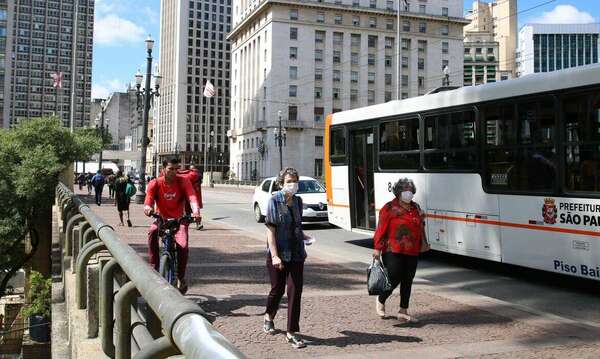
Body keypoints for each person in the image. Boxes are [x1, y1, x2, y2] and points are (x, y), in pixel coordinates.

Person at [263, 167, 311, 349]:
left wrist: (305, 237)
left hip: (297, 253)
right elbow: (271, 231)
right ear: (281, 183)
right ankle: (269, 315)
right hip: (279, 254)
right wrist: (275, 256)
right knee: (277, 290)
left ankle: (292, 332)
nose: (293, 184)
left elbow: (297, 226)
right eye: (289, 181)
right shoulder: (275, 200)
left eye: (295, 181)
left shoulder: (298, 201)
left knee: (295, 291)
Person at [373, 177, 429, 323]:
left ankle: (403, 310)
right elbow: (381, 229)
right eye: (405, 190)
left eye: (410, 190)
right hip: (393, 248)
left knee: (408, 279)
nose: (408, 193)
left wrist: (422, 219)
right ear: (398, 192)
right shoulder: (389, 208)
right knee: (394, 276)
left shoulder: (415, 207)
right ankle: (381, 298)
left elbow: (420, 226)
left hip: (412, 249)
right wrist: (377, 249)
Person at [143, 158, 201, 294]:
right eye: (171, 169)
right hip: (161, 220)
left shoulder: (183, 181)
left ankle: (181, 277)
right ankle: (154, 267)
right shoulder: (155, 183)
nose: (174, 172)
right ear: (163, 169)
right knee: (152, 232)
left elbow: (192, 197)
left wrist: (196, 212)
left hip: (179, 220)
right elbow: (148, 199)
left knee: (183, 245)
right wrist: (147, 208)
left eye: (176, 169)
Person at [178, 165, 204, 230]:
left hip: (192, 195)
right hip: (191, 195)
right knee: (190, 210)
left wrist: (175, 173)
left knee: (193, 210)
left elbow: (185, 177)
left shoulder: (193, 174)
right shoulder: (194, 174)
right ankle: (194, 223)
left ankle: (196, 223)